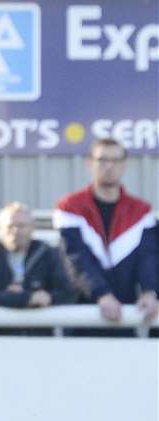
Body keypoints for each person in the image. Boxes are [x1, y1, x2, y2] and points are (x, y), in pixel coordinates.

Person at [54, 138, 158, 335]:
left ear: (124, 165)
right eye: (102, 160)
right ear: (89, 163)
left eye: (116, 160)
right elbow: (77, 258)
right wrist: (102, 295)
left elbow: (148, 257)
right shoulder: (70, 208)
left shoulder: (140, 212)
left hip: (124, 319)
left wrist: (150, 292)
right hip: (82, 317)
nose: (109, 166)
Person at [0, 202, 76, 336]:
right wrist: (27, 298)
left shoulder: (47, 253)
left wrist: (48, 297)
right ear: (0, 228)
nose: (15, 231)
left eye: (21, 226)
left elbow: (67, 292)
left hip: (39, 338)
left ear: (32, 228)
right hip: (2, 339)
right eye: (10, 226)